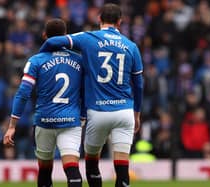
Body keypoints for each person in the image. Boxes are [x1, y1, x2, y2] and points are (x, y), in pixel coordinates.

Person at [40, 3, 144, 187]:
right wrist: (136, 113)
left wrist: (41, 59)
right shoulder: (131, 46)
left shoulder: (88, 38)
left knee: (91, 162)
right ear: (120, 21)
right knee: (122, 167)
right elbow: (139, 85)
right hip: (125, 111)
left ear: (99, 19)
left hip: (98, 111)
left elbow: (52, 42)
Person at [3, 18, 83, 187]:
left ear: (44, 35)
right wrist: (83, 115)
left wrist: (12, 126)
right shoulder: (79, 60)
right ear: (65, 36)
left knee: (45, 171)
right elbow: (87, 91)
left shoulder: (36, 60)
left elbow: (23, 93)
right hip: (70, 120)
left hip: (45, 121)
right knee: (72, 169)